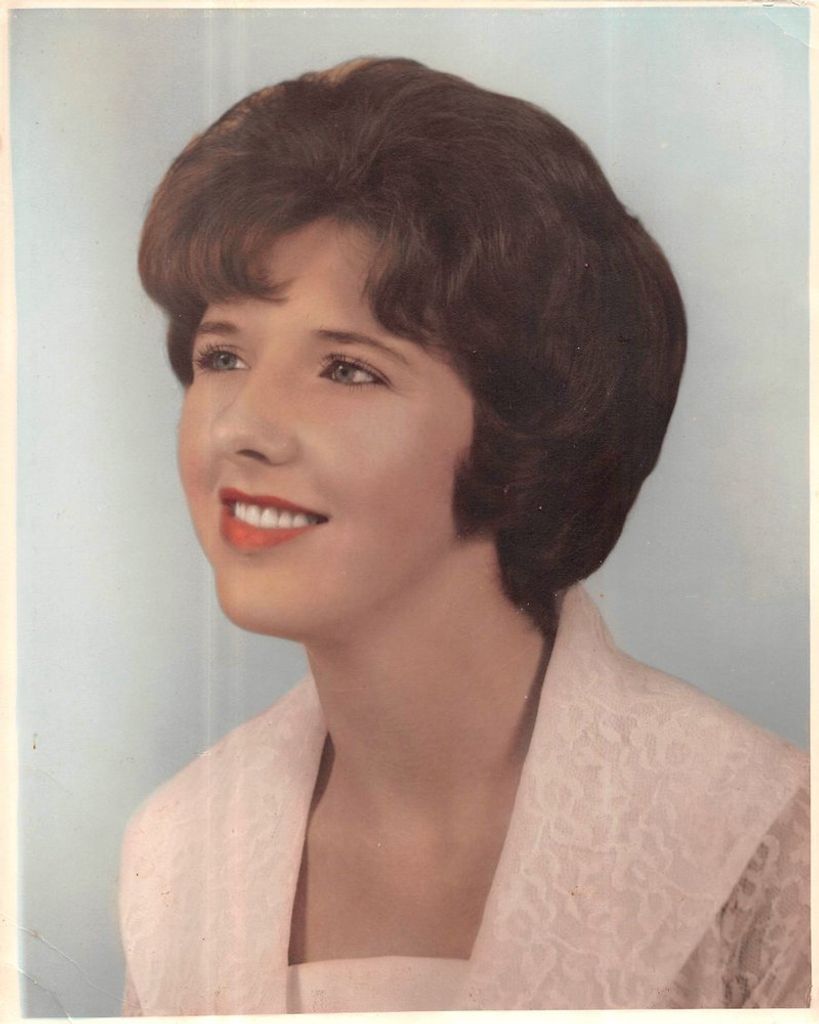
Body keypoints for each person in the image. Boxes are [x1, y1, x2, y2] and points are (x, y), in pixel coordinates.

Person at [118, 57, 809, 1013]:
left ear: (523, 429)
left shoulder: (760, 832)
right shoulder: (176, 848)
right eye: (222, 355)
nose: (241, 427)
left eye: (348, 370)